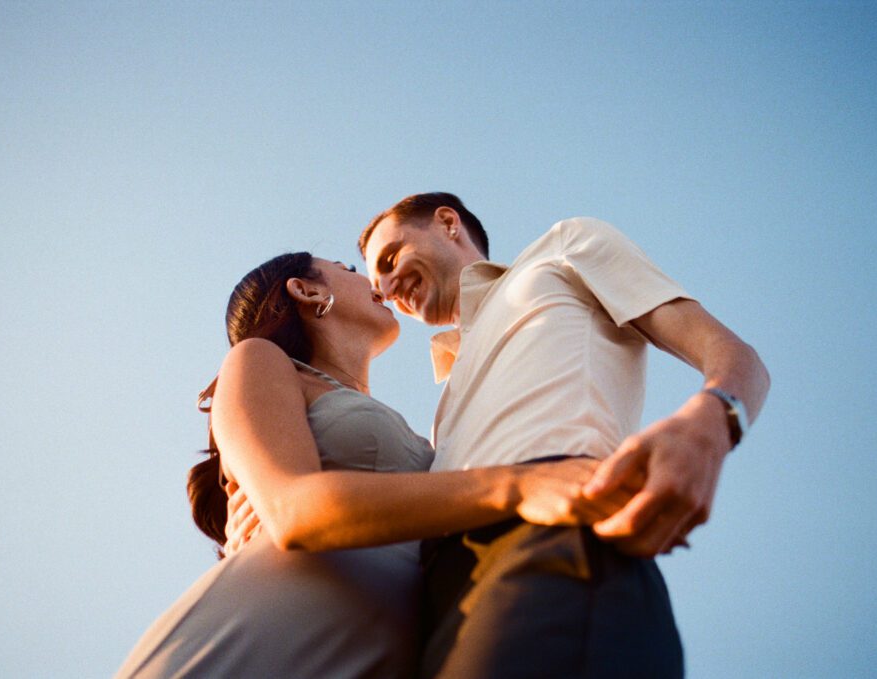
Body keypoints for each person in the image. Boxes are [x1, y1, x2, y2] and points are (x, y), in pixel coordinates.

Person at [115, 252, 632, 678]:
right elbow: (295, 511)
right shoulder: (258, 360)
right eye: (347, 265)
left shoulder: (421, 430)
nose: (375, 281)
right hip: (259, 640)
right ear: (308, 291)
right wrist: (520, 486)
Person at [357, 192, 771, 678]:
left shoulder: (562, 248)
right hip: (444, 599)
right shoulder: (449, 387)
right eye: (376, 284)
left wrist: (711, 422)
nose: (384, 287)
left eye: (390, 259)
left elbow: (733, 355)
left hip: (550, 547)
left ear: (447, 223)